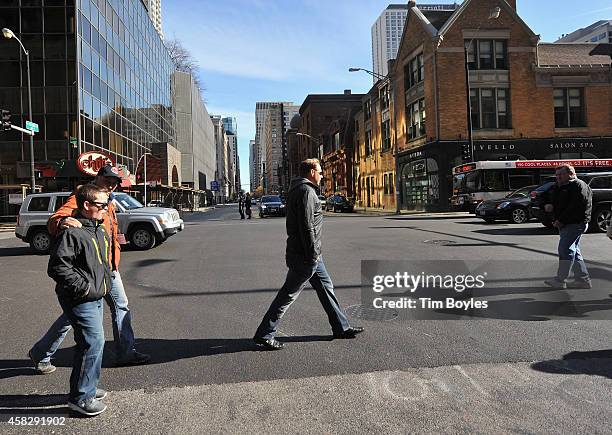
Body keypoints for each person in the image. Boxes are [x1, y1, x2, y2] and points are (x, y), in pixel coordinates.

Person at [29, 165, 150, 375]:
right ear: (98, 177)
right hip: (88, 270)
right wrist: (63, 221)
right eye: (108, 180)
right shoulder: (83, 195)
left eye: (115, 182)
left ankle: (125, 352)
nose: (111, 185)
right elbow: (57, 218)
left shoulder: (107, 200)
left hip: (109, 266)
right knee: (72, 315)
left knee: (121, 307)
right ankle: (42, 352)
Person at [253, 158, 364, 350]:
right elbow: (307, 226)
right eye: (320, 172)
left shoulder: (300, 189)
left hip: (309, 253)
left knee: (326, 288)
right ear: (312, 172)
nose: (322, 175)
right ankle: (265, 333)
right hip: (306, 254)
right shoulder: (306, 191)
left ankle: (341, 327)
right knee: (288, 294)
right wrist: (312, 254)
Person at [47, 184, 112, 416]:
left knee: (93, 343)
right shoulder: (72, 231)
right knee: (92, 343)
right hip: (80, 297)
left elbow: (101, 262)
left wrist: (106, 284)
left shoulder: (98, 229)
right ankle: (81, 398)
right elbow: (57, 267)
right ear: (87, 205)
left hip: (96, 294)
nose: (107, 208)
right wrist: (84, 288)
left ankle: (88, 388)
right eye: (102, 205)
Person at [544, 164, 593, 289]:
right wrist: (550, 208)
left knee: (565, 251)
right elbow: (557, 201)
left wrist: (561, 220)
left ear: (570, 174)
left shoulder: (578, 185)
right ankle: (583, 280)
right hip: (570, 223)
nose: (558, 177)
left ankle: (560, 280)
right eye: (557, 175)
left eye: (561, 174)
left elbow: (576, 207)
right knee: (574, 252)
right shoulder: (563, 186)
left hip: (574, 223)